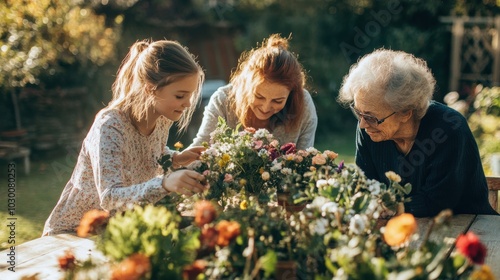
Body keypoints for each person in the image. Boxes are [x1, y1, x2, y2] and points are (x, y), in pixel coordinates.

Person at [43, 39, 209, 235]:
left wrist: (174, 158)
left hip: (119, 232)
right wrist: (165, 183)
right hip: (74, 234)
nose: (188, 104)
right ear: (150, 88)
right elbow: (110, 198)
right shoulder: (110, 126)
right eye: (180, 96)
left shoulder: (161, 119)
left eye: (190, 96)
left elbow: (143, 149)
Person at [338, 48, 498, 217]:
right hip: (402, 229)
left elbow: (438, 202)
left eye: (370, 116)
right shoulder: (370, 129)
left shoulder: (449, 129)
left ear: (406, 112)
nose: (362, 124)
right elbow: (366, 187)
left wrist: (389, 208)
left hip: (469, 228)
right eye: (358, 112)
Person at [190, 34, 318, 150]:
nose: (265, 107)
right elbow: (200, 149)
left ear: (292, 93)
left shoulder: (303, 104)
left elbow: (304, 161)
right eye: (259, 96)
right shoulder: (223, 100)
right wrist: (173, 162)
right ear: (246, 84)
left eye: (277, 100)